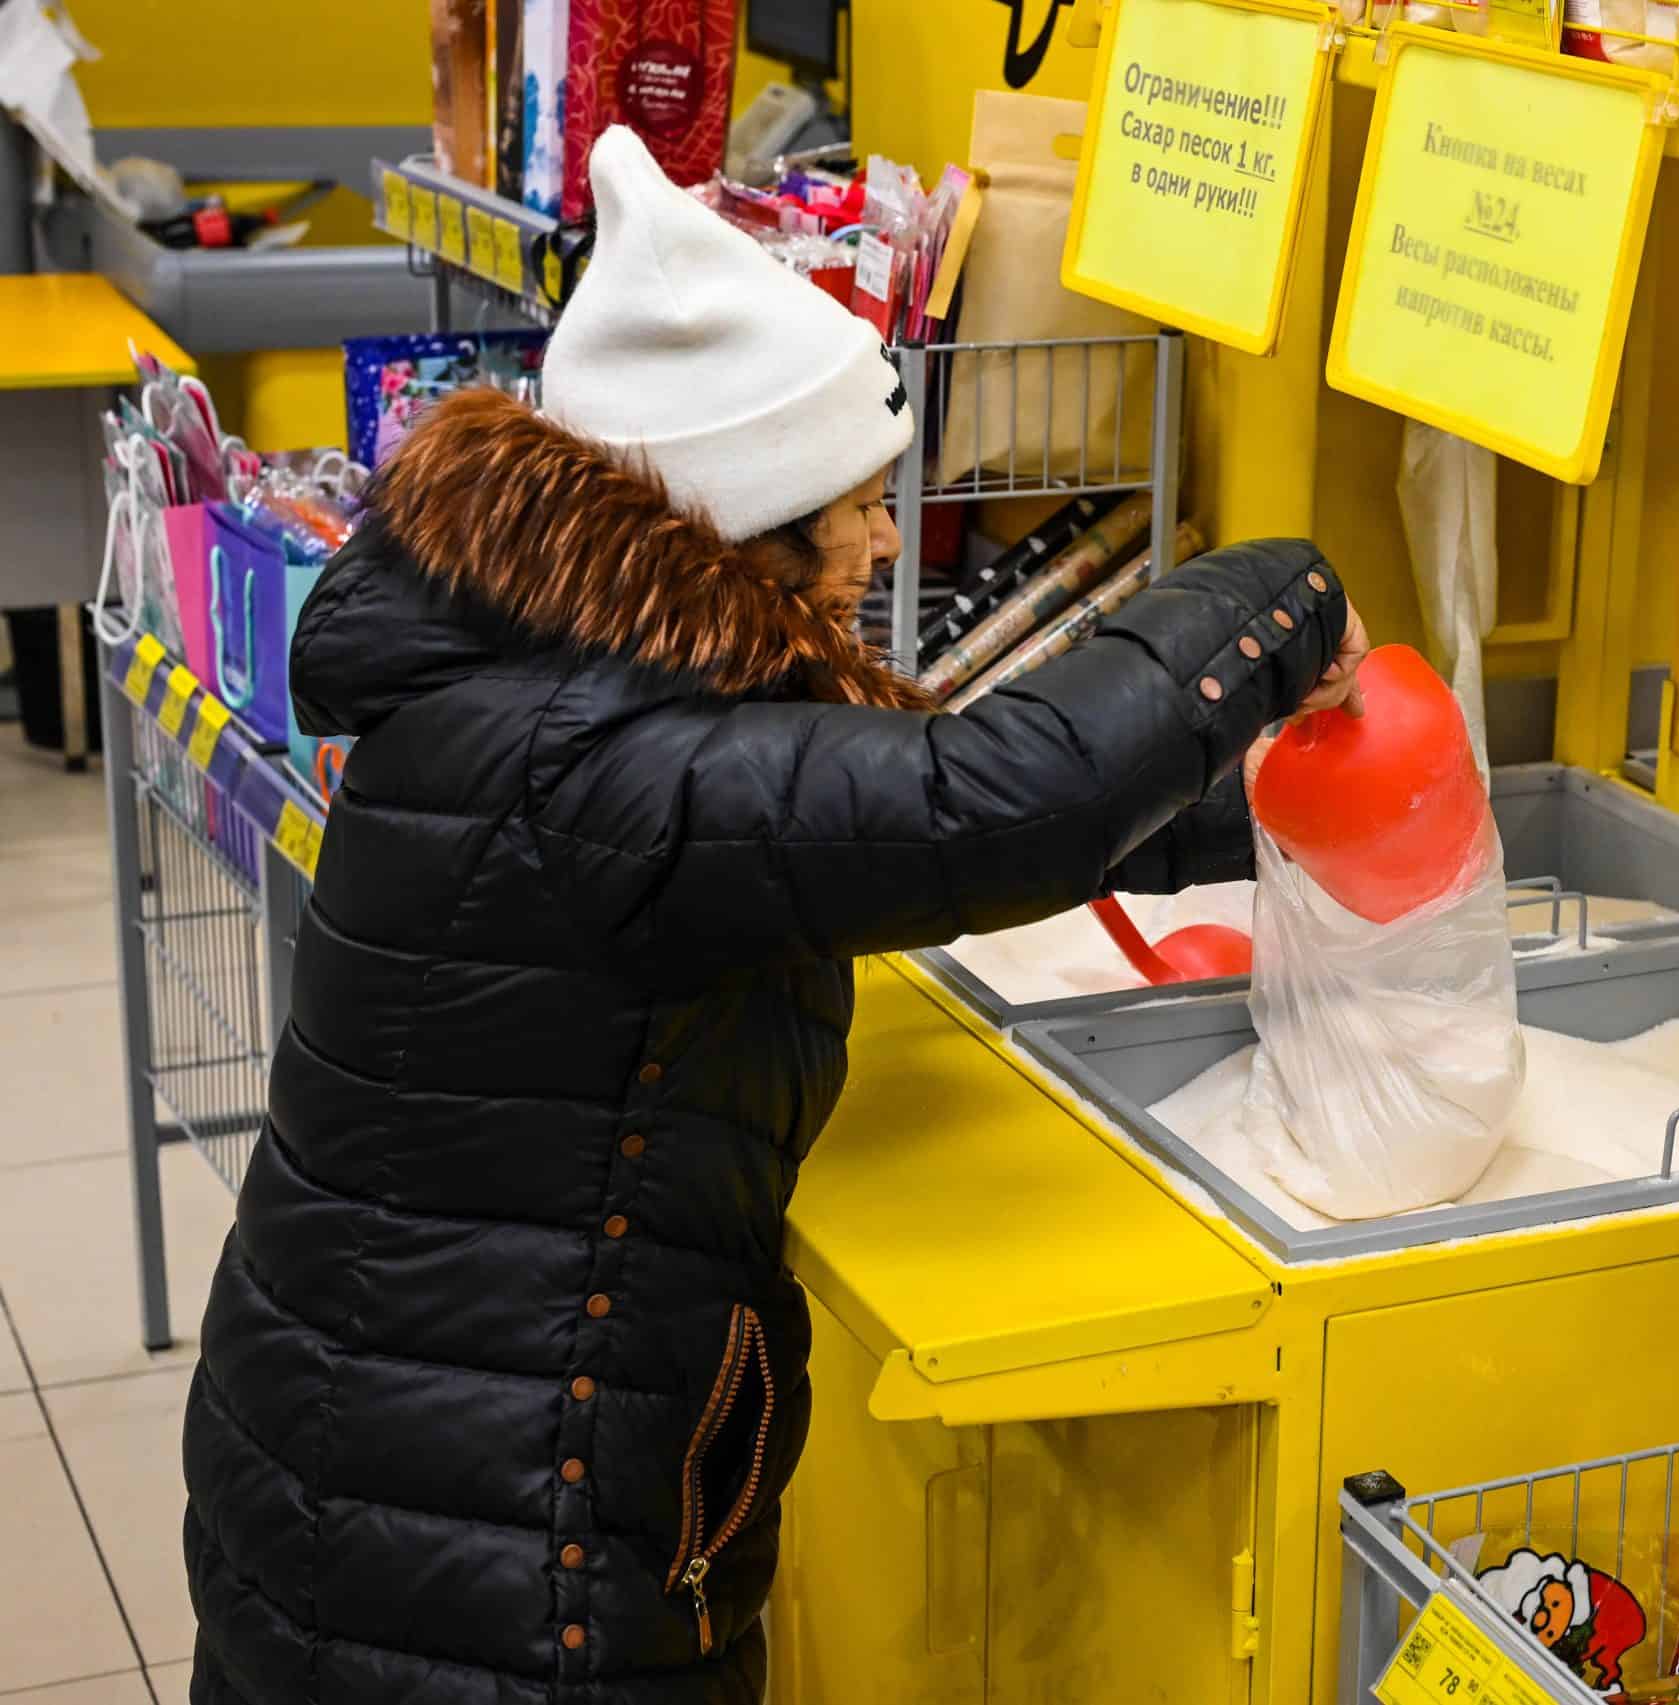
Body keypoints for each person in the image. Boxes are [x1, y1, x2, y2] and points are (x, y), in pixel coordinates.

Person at [180, 125, 1366, 1705]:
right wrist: (1289, 593)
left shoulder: (541, 665)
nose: (887, 538)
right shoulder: (611, 763)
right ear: (738, 518)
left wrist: (1276, 814)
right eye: (857, 503)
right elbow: (1003, 799)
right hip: (488, 1552)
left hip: (355, 1463)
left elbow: (875, 817)